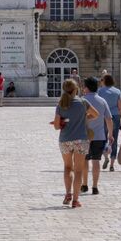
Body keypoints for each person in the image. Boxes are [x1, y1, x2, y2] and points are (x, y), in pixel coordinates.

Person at [53, 78, 98, 209]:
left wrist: (65, 121)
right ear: (76, 89)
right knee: (78, 170)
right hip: (81, 139)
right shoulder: (83, 102)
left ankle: (68, 194)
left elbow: (56, 126)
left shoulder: (61, 104)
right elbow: (96, 114)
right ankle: (76, 200)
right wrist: (84, 118)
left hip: (65, 139)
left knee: (68, 168)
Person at [83, 77, 114, 195]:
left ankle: (84, 184)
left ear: (86, 87)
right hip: (99, 136)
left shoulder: (82, 100)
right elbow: (109, 119)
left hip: (84, 136)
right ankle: (95, 187)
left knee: (85, 160)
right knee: (96, 161)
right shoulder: (102, 101)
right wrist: (110, 134)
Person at [98, 74, 121, 170]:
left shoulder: (100, 91)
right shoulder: (117, 91)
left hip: (104, 117)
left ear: (104, 81)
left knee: (103, 138)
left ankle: (106, 157)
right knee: (114, 139)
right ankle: (112, 165)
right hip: (116, 116)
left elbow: (98, 105)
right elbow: (120, 108)